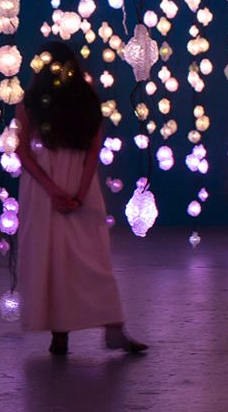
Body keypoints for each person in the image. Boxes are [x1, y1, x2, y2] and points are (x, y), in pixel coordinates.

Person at [13, 42, 147, 356]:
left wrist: (56, 190)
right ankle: (92, 332)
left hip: (49, 186)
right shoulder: (82, 101)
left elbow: (24, 151)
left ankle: (66, 335)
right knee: (82, 258)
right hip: (71, 184)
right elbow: (92, 152)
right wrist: (77, 192)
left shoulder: (38, 102)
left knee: (65, 258)